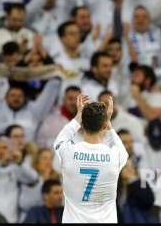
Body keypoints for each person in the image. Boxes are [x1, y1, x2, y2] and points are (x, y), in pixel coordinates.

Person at [53, 94, 128, 222]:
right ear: (104, 126)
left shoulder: (68, 152)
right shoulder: (116, 155)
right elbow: (121, 148)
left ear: (82, 124)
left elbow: (59, 141)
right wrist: (109, 123)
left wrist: (77, 116)